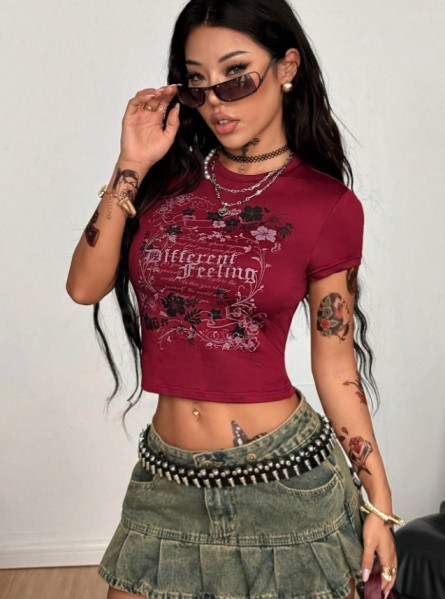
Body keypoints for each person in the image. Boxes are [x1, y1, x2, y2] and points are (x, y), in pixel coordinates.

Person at [66, 1, 402, 597]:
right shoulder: (166, 182)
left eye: (236, 77)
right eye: (198, 84)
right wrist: (130, 163)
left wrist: (378, 499)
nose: (217, 102)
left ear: (286, 67)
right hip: (166, 479)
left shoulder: (327, 206)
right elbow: (83, 286)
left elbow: (335, 362)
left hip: (284, 480)